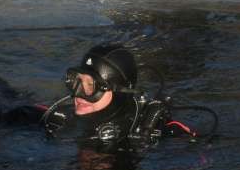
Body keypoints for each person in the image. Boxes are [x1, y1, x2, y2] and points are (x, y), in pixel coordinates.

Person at [42, 43, 171, 154]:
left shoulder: (150, 130)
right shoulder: (60, 118)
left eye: (91, 85)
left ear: (119, 92)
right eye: (76, 81)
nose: (77, 93)